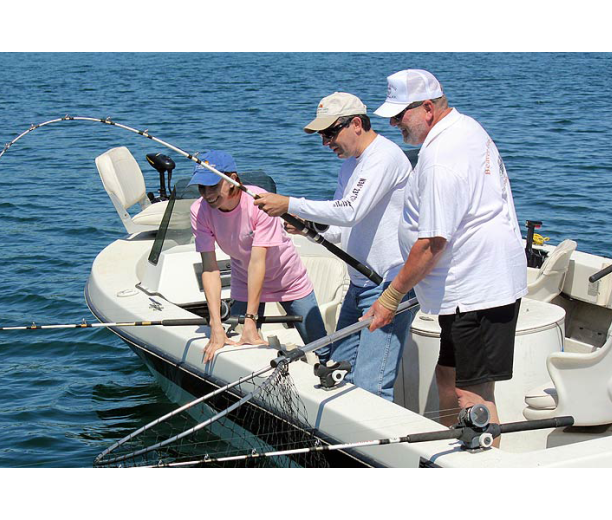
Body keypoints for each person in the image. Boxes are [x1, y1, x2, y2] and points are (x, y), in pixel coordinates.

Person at [364, 69, 527, 434]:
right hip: (463, 291)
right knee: (447, 377)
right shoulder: (464, 127)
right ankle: (450, 449)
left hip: (478, 291)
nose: (392, 123)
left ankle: (479, 460)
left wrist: (391, 297)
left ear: (426, 108)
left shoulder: (441, 157)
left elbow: (432, 243)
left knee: (472, 395)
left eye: (398, 115)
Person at [254, 92, 414, 402]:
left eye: (330, 132)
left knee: (371, 386)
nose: (326, 142)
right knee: (336, 372)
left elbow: (349, 210)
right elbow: (342, 228)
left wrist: (289, 203)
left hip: (386, 285)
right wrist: (309, 227)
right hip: (358, 286)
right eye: (322, 136)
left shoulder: (384, 157)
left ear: (356, 123)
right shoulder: (349, 166)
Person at [189, 150, 327, 364]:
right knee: (236, 347)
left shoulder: (259, 202)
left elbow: (257, 262)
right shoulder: (199, 210)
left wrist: (250, 320)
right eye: (202, 188)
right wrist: (215, 325)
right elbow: (210, 268)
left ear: (232, 180)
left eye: (213, 187)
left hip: (288, 280)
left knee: (322, 349)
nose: (207, 195)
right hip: (244, 280)